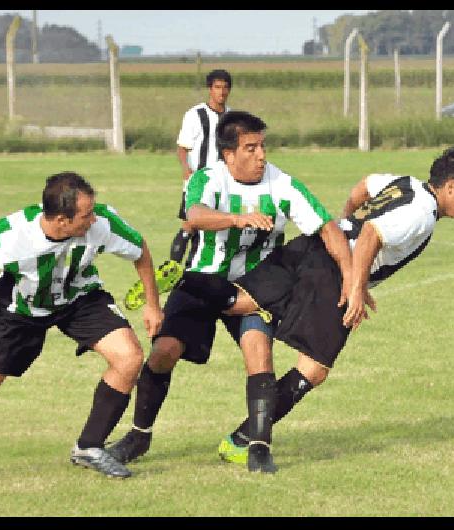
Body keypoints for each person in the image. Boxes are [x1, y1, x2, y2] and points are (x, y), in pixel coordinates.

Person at [163, 146, 454, 467]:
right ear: (451, 186)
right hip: (332, 272)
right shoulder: (421, 214)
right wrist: (355, 286)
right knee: (314, 368)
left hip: (318, 246)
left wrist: (345, 228)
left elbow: (364, 186)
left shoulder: (407, 183)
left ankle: (185, 281)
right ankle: (241, 440)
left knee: (242, 302)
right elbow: (371, 235)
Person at [108, 111, 358, 473]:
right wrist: (236, 219)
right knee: (163, 351)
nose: (261, 156)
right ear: (228, 155)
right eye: (250, 148)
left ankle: (258, 446)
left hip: (256, 286)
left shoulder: (282, 184)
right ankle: (138, 435)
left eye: (262, 147)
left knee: (258, 351)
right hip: (202, 280)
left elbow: (328, 229)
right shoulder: (207, 179)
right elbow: (193, 214)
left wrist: (350, 279)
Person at [0, 172, 163, 484]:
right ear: (62, 220)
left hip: (79, 299)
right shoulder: (10, 236)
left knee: (129, 358)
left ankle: (89, 447)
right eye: (86, 214)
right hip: (19, 312)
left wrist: (152, 305)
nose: (94, 219)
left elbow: (139, 248)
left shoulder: (101, 222)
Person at [170, 69, 233, 265]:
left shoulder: (231, 117)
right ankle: (172, 269)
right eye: (217, 87)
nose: (221, 92)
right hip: (198, 181)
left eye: (225, 87)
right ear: (209, 89)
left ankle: (196, 270)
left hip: (222, 183)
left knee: (212, 228)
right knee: (190, 225)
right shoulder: (195, 115)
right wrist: (186, 168)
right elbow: (182, 147)